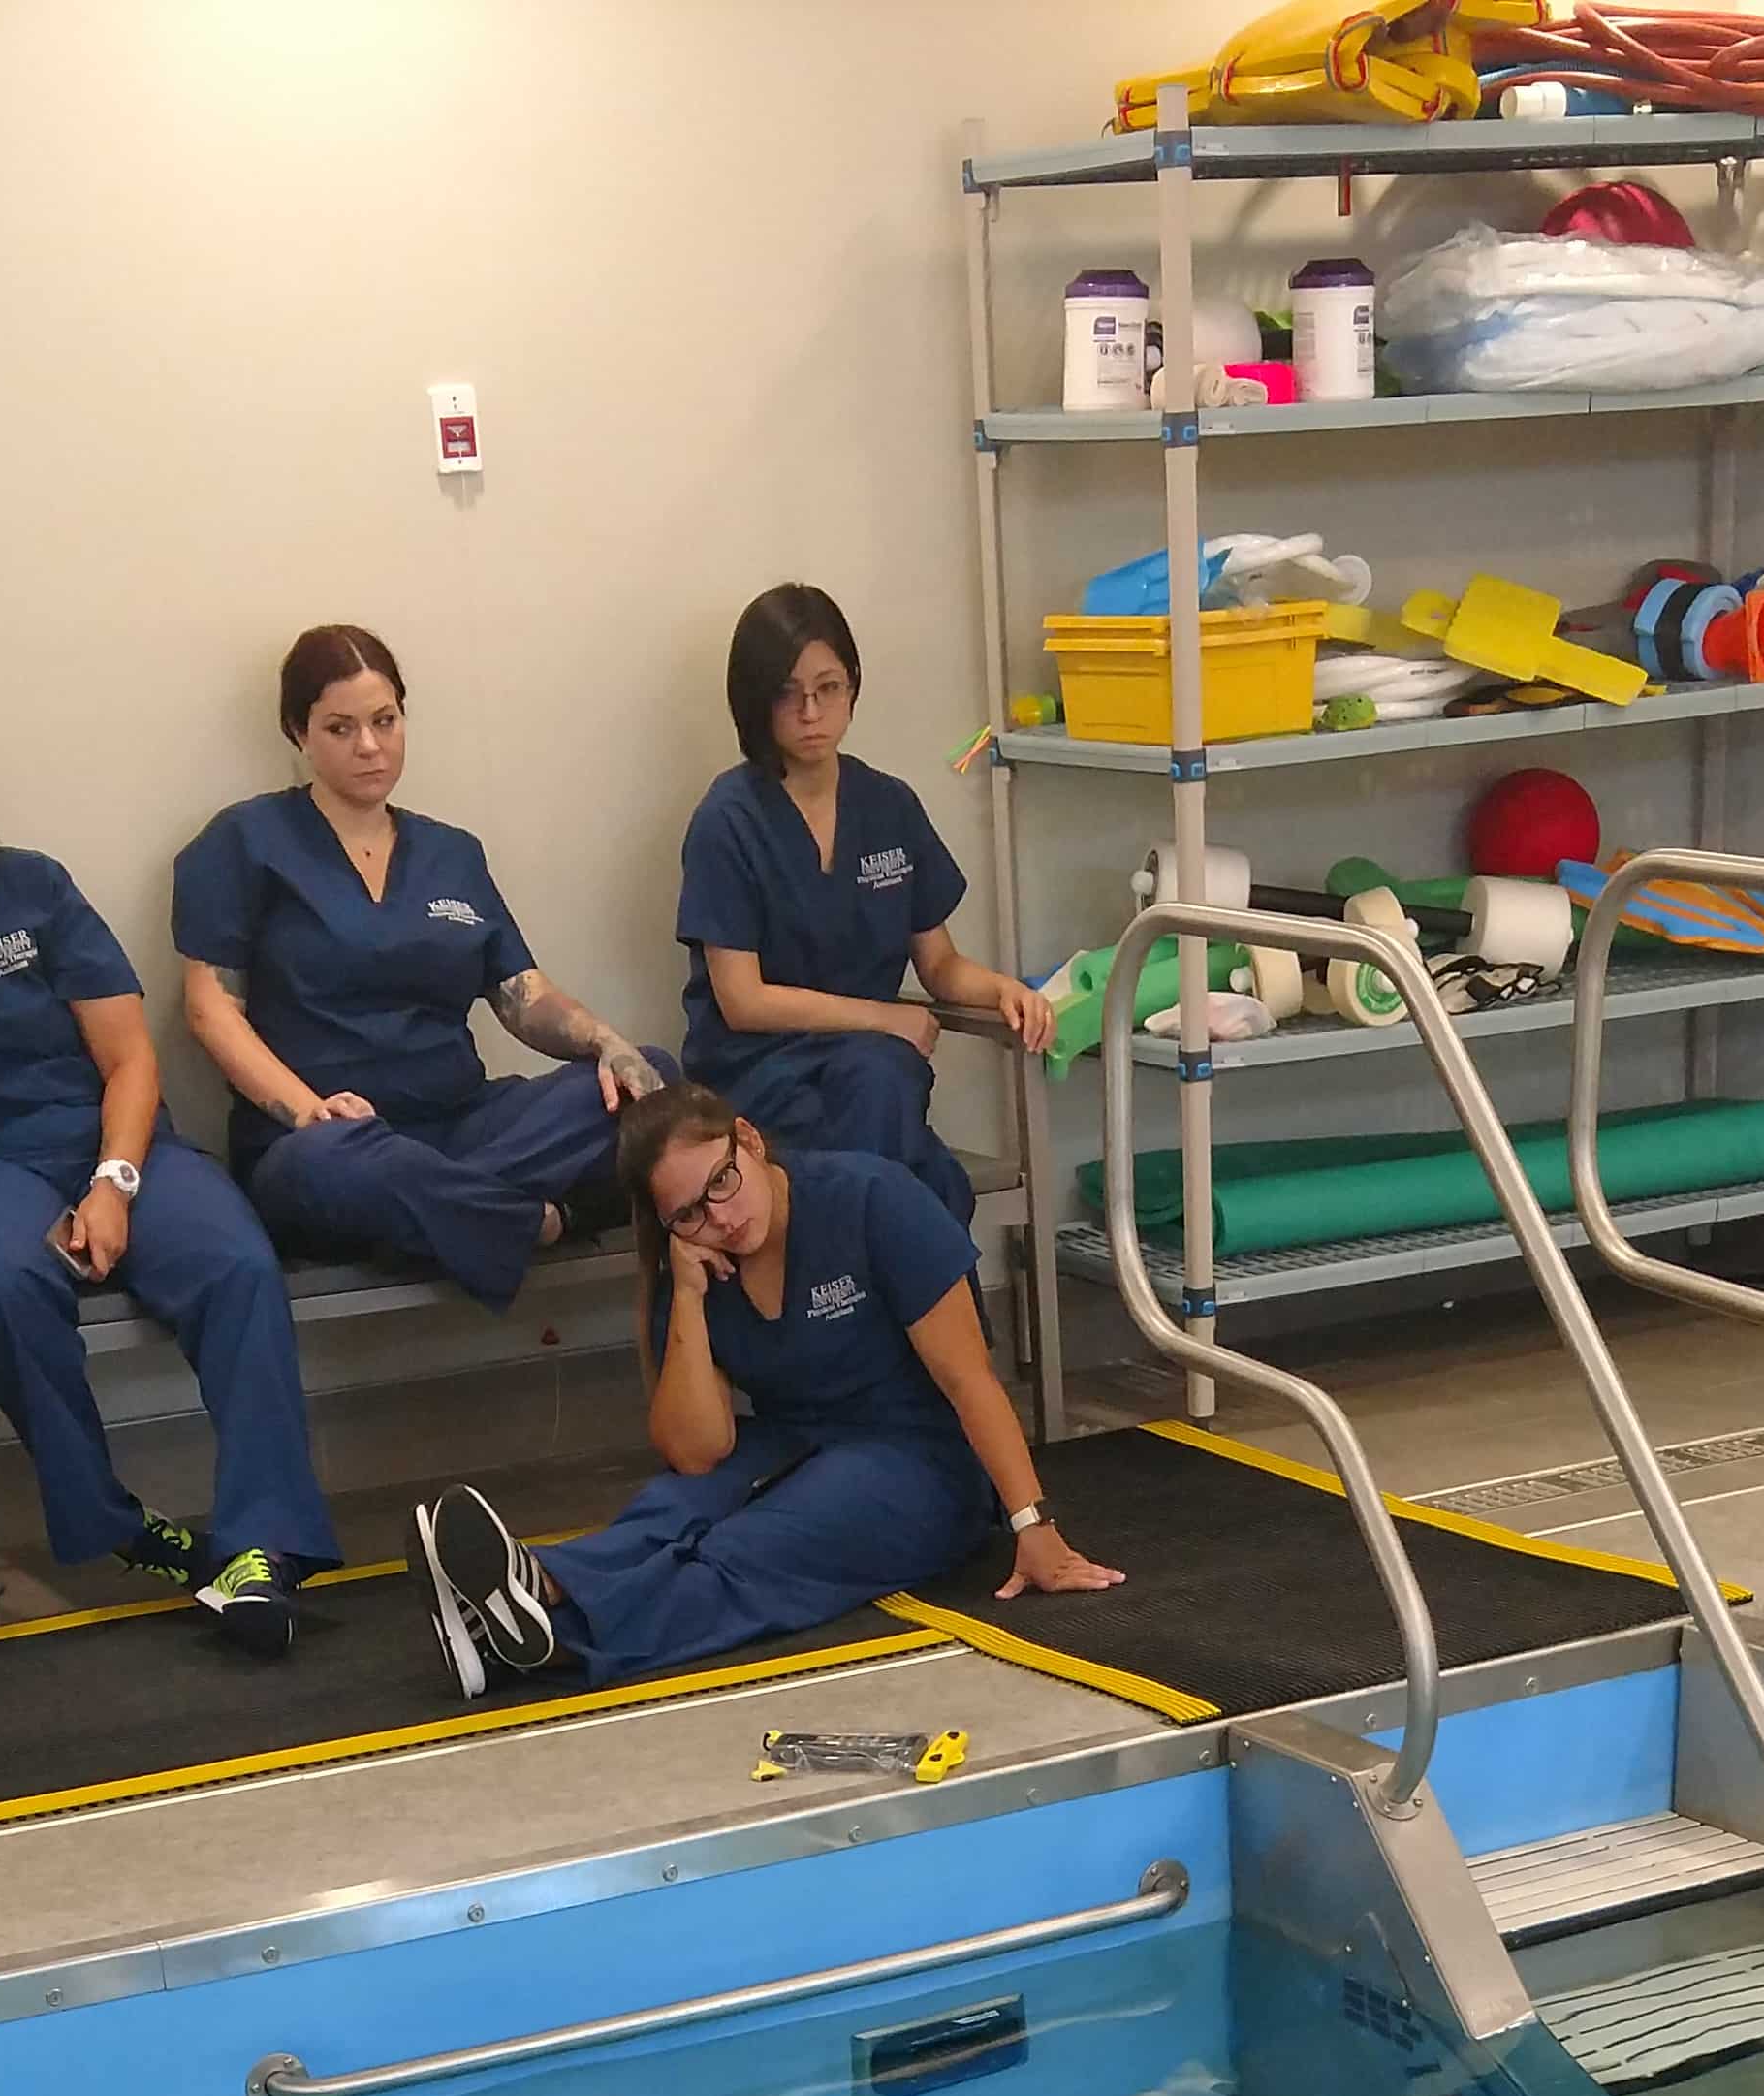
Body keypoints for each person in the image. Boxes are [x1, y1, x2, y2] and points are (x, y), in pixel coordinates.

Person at [0, 700, 339, 1656]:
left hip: (117, 1143)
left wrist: (114, 1182)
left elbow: (128, 1059)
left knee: (237, 1265)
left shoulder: (31, 888)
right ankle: (119, 1527)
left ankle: (262, 1550)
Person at [404, 1081, 1118, 1700]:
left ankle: (551, 1637)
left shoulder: (872, 1198)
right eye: (687, 1213)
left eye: (721, 1182)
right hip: (792, 1440)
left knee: (754, 1548)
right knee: (674, 1506)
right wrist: (685, 1294)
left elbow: (972, 1384)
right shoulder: (696, 1261)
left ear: (747, 1140)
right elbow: (695, 1450)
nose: (718, 1215)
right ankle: (534, 1589)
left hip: (920, 1458)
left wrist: (1035, 1527)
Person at [172, 623, 673, 1317]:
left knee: (652, 1078)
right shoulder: (244, 842)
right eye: (340, 728)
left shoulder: (452, 853)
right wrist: (310, 1114)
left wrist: (605, 1044)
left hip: (463, 1123)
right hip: (325, 1143)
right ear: (298, 733)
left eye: (385, 721)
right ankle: (542, 1220)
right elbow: (209, 1008)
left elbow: (522, 996)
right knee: (342, 1170)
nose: (370, 746)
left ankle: (444, 1218)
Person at [676, 581, 1046, 1226]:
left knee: (879, 1103)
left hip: (871, 1072)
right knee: (925, 1180)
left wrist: (1001, 990)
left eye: (829, 688)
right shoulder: (727, 820)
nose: (812, 712)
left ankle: (872, 1293)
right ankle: (932, 1314)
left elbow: (939, 965)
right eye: (789, 694)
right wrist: (882, 1017)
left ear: (853, 686)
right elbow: (743, 999)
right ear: (755, 701)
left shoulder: (889, 806)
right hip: (762, 1075)